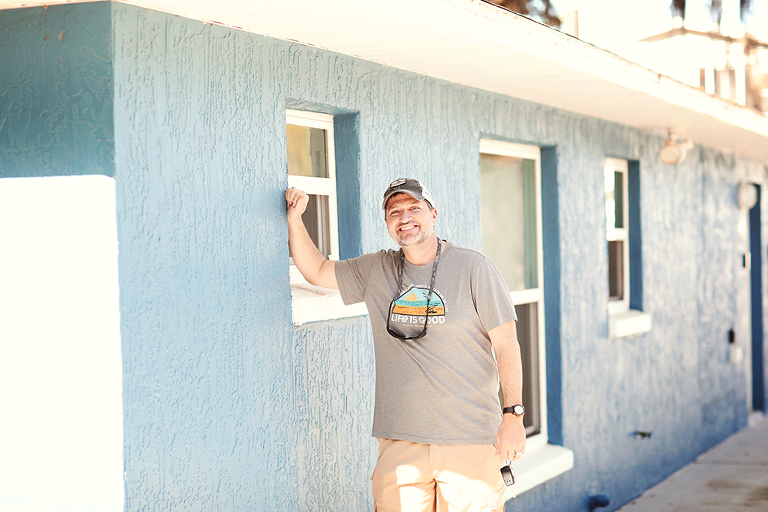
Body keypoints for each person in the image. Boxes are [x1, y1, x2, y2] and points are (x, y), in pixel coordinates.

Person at [285, 178, 526, 512]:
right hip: (401, 441)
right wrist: (295, 219)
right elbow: (317, 270)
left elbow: (507, 343)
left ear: (433, 215)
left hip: (469, 439)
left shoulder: (474, 268)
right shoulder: (376, 269)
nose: (405, 217)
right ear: (387, 223)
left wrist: (513, 415)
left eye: (414, 208)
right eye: (394, 211)